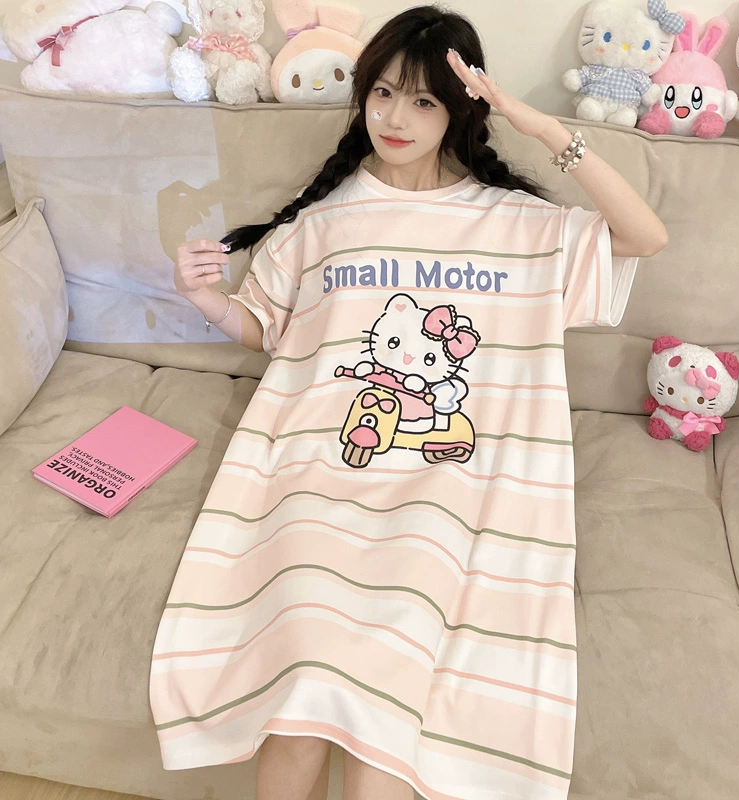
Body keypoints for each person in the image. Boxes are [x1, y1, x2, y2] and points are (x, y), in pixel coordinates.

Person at [150, 5, 668, 800]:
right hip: (318, 480)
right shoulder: (323, 220)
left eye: (423, 100)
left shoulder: (517, 227)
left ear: (460, 110)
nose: (394, 118)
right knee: (300, 701)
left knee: (382, 729)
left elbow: (644, 237)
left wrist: (537, 125)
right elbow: (265, 329)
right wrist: (208, 301)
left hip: (448, 492)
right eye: (383, 93)